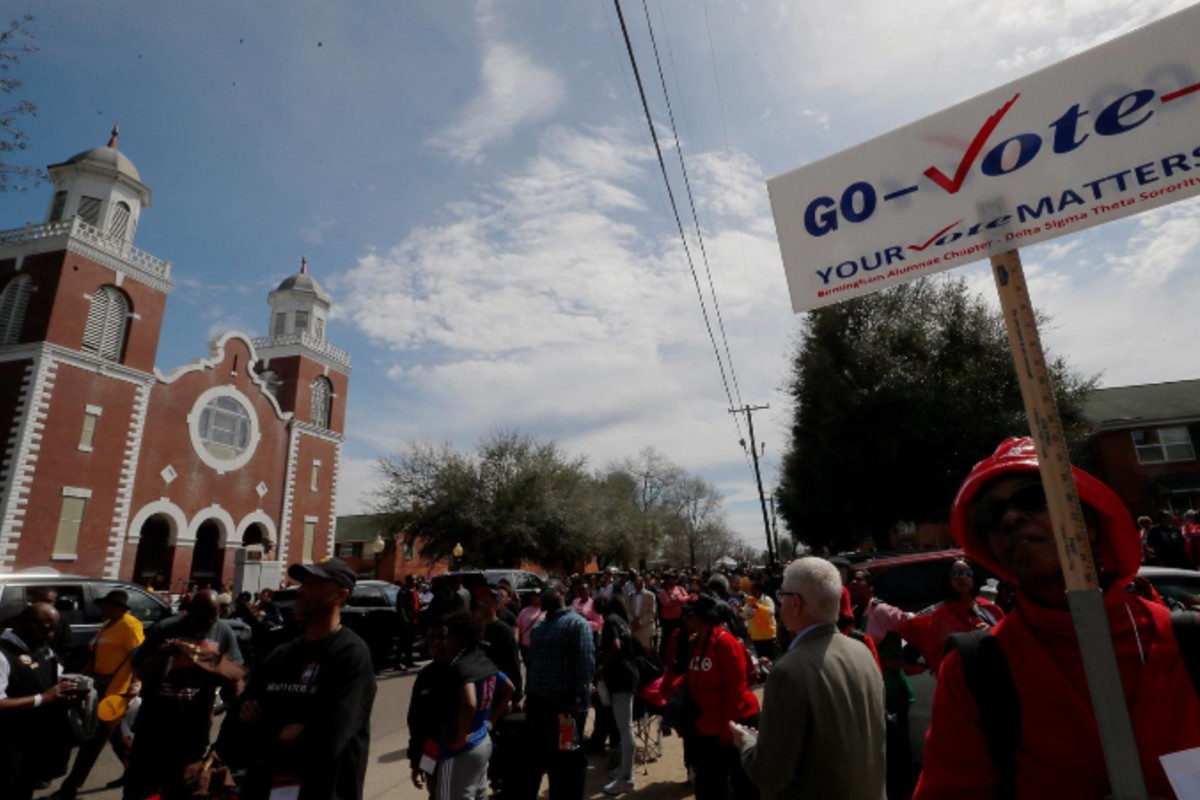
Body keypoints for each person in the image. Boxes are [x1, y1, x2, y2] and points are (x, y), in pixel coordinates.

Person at [914, 437, 1200, 799]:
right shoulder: (977, 670)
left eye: (1032, 497)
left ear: (1090, 524)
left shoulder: (1187, 641)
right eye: (990, 514)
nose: (1011, 518)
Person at [732, 558, 886, 799]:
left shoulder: (788, 672)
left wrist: (747, 743)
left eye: (782, 595)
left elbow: (770, 773)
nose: (780, 602)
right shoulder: (862, 651)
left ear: (796, 603)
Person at [230, 557, 377, 800]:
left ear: (341, 596)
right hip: (265, 786)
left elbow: (327, 742)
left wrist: (264, 727)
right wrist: (284, 731)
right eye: (303, 583)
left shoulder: (351, 655)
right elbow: (236, 729)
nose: (302, 589)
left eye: (315, 584)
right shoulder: (281, 654)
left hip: (322, 790)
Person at [123, 590, 245, 800]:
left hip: (193, 726)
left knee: (183, 786)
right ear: (190, 611)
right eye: (201, 616)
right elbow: (138, 668)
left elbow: (236, 673)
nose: (207, 622)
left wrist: (235, 695)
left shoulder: (223, 631)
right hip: (154, 722)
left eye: (212, 616)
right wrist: (164, 654)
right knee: (140, 786)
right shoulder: (167, 628)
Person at [409, 612, 513, 800]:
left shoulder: (462, 668)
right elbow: (417, 723)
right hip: (438, 751)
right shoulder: (428, 675)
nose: (437, 643)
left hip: (456, 751)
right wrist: (416, 761)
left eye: (443, 637)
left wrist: (463, 736)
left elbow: (470, 704)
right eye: (432, 638)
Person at [53, 589, 144, 800]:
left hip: (117, 691)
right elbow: (96, 657)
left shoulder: (130, 626)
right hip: (100, 687)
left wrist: (134, 686)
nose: (103, 608)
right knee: (115, 738)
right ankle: (134, 773)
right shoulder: (107, 625)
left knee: (93, 741)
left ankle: (69, 789)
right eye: (103, 604)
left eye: (108, 605)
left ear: (120, 608)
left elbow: (140, 658)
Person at [516, 580, 595, 800]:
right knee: (544, 758)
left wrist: (579, 700)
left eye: (550, 591)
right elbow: (531, 664)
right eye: (542, 593)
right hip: (540, 706)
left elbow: (585, 664)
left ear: (562, 593)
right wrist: (528, 694)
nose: (544, 596)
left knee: (569, 762)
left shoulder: (576, 624)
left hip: (566, 708)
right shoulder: (540, 627)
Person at [684, 594, 760, 800]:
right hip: (707, 727)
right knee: (708, 786)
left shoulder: (726, 643)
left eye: (690, 615)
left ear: (703, 617)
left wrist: (726, 730)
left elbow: (737, 690)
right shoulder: (695, 642)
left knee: (744, 787)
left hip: (735, 725)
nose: (686, 620)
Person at [0, 602, 78, 800]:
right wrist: (43, 699)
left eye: (54, 629)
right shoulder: (3, 654)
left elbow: (53, 679)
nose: (51, 635)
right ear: (25, 625)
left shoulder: (43, 650)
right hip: (8, 745)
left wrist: (68, 689)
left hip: (33, 743)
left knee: (24, 790)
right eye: (47, 629)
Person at [904, 558, 1004, 674]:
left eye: (967, 573)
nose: (962, 577)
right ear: (948, 580)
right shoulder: (941, 617)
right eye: (955, 574)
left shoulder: (991, 608)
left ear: (974, 577)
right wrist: (974, 640)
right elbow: (939, 661)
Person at [596, 595, 639, 795]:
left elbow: (615, 645)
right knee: (625, 727)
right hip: (629, 675)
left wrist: (602, 666)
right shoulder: (623, 622)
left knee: (625, 728)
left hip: (620, 677)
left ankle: (626, 778)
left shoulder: (611, 621)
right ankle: (624, 773)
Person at [475, 587, 522, 709]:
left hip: (497, 689)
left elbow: (513, 662)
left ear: (496, 606)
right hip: (476, 686)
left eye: (487, 601)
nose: (482, 604)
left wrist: (517, 695)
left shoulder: (503, 630)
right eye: (480, 601)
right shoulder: (474, 628)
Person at [742, 581, 778, 662]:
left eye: (754, 591)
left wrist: (759, 607)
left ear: (759, 591)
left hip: (768, 635)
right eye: (752, 591)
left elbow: (771, 612)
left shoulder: (767, 599)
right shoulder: (750, 601)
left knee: (772, 659)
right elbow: (746, 615)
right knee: (761, 659)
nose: (752, 593)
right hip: (756, 636)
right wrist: (741, 610)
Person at [656, 573, 689, 659]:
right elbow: (666, 603)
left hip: (678, 619)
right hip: (668, 620)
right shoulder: (663, 591)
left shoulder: (680, 589)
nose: (673, 580)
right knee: (666, 639)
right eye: (671, 579)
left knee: (679, 639)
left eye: (674, 578)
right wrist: (678, 601)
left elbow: (686, 598)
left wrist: (678, 599)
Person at [624, 572, 657, 652]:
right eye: (635, 583)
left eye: (638, 582)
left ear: (643, 583)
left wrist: (640, 622)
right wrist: (632, 620)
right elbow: (628, 610)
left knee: (646, 651)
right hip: (634, 629)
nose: (636, 584)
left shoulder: (650, 595)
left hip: (645, 628)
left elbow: (652, 612)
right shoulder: (631, 595)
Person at [394, 575, 420, 671]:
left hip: (414, 620)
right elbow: (401, 608)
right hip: (407, 621)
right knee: (402, 642)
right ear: (408, 581)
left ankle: (409, 660)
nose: (415, 581)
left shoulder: (414, 591)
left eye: (415, 579)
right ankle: (397, 663)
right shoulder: (403, 592)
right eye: (413, 579)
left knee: (410, 642)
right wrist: (405, 620)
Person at [515, 591, 546, 665]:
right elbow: (517, 626)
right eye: (533, 596)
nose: (534, 598)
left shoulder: (546, 611)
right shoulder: (524, 611)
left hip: (541, 645)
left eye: (537, 596)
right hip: (526, 645)